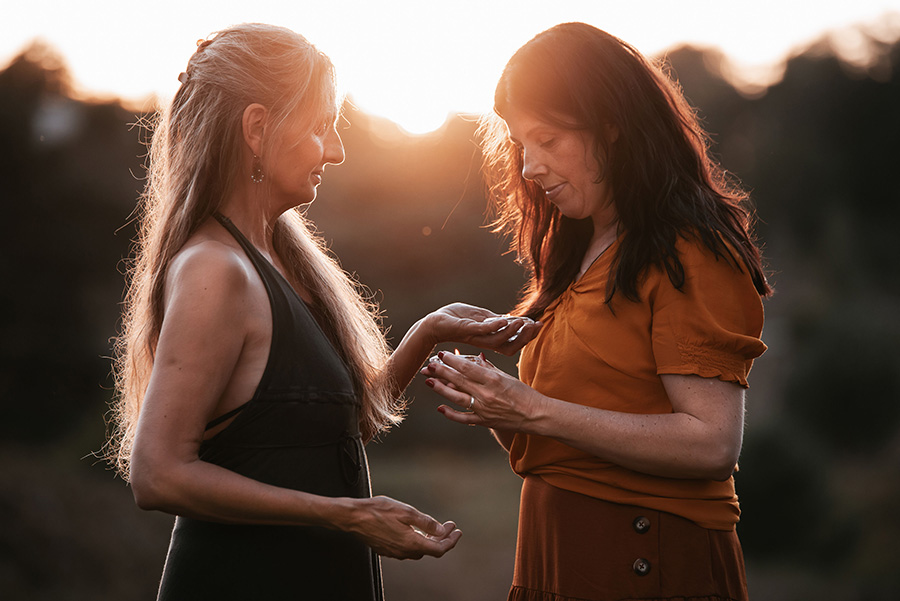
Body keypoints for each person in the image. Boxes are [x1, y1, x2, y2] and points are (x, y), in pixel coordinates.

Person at [106, 23, 538, 601]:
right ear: (258, 129)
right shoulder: (216, 270)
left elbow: (325, 428)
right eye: (320, 127)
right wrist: (344, 514)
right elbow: (158, 474)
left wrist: (427, 335)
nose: (335, 151)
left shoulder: (278, 257)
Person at [422, 22, 771, 601]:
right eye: (520, 144)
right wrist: (497, 406)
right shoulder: (579, 252)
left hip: (645, 561)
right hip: (555, 560)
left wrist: (531, 409)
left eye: (549, 140)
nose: (530, 166)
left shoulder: (688, 252)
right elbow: (566, 447)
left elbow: (711, 443)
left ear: (613, 128)